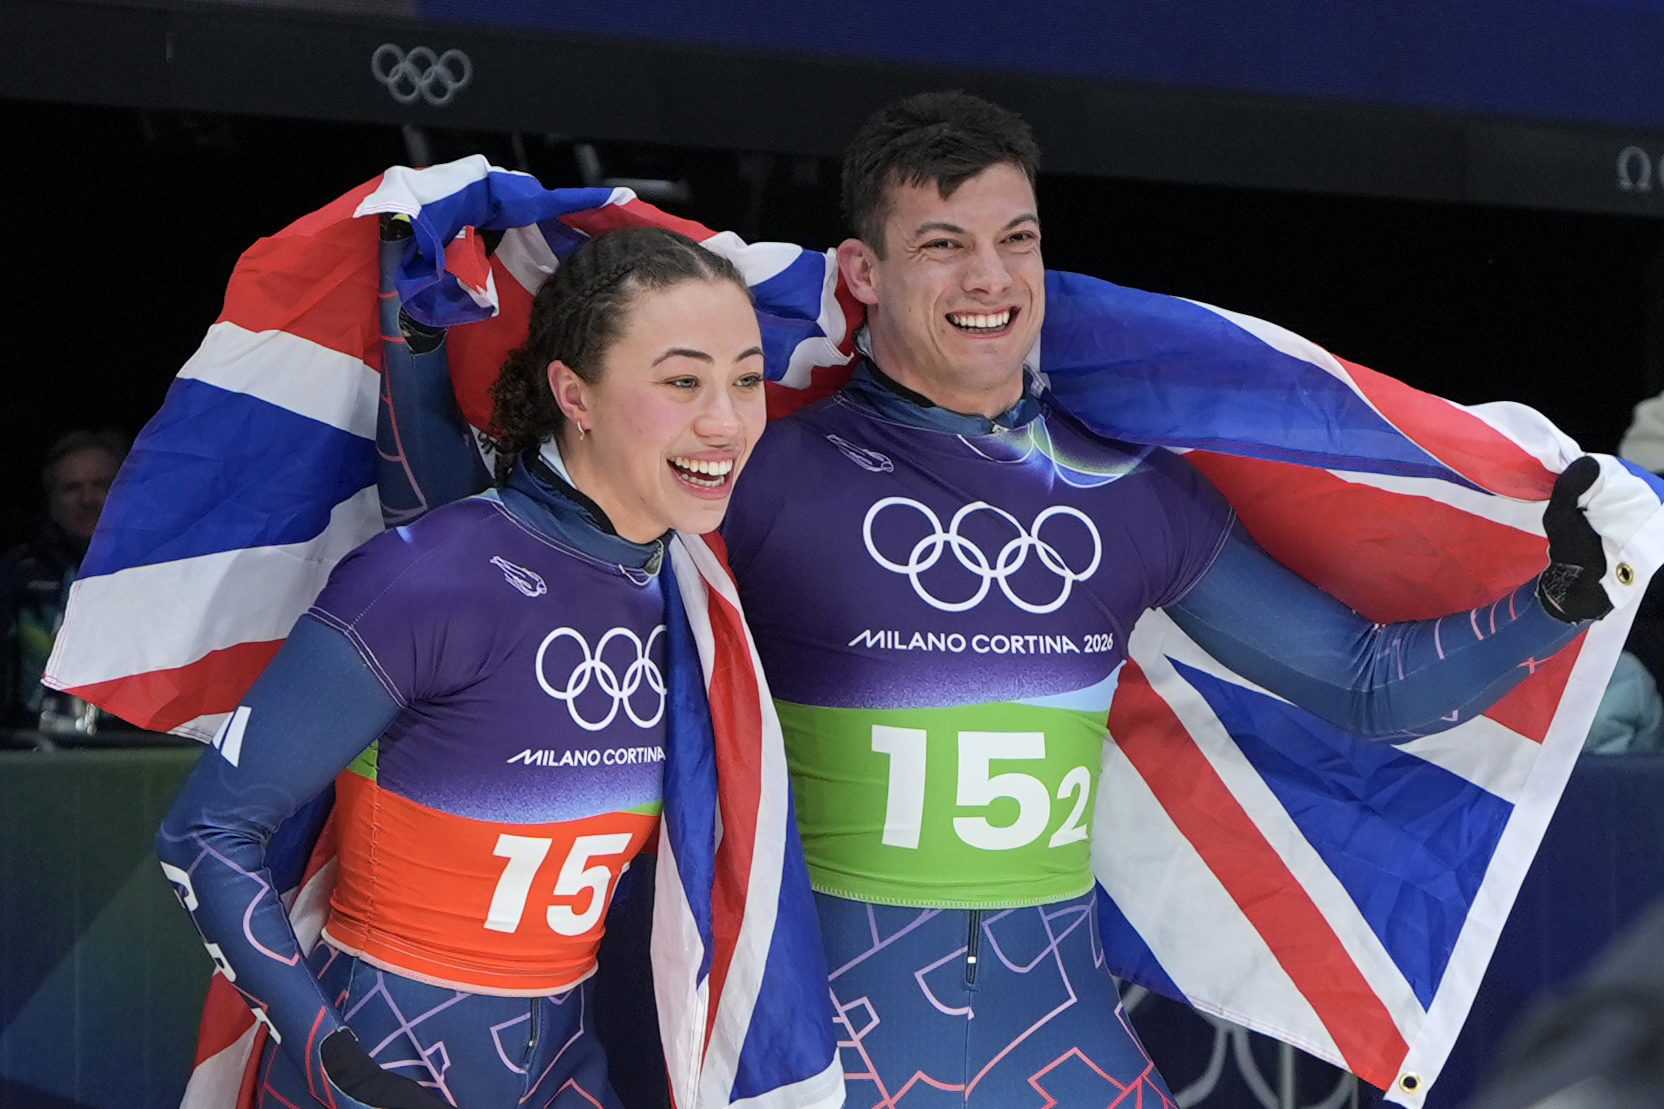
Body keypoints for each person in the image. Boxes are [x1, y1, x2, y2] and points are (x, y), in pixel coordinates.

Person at [355, 95, 1631, 1105]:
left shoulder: (1132, 491)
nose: (989, 276)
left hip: (1060, 1048)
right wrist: (418, 336)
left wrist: (1564, 589)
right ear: (860, 270)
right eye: (942, 241)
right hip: (824, 1057)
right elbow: (470, 552)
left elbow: (1366, 686)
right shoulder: (756, 470)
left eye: (1014, 238)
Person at [155, 227, 791, 1109]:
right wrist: (341, 1068)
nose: (725, 419)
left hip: (571, 1069)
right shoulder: (430, 575)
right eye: (682, 380)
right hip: (381, 1066)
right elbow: (205, 833)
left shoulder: (693, 597)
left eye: (748, 378)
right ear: (575, 391)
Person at [1, 429, 125, 729]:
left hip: (134, 750)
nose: (87, 499)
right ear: (52, 498)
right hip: (34, 752)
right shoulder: (16, 574)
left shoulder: (161, 571)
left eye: (101, 485)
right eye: (71, 488)